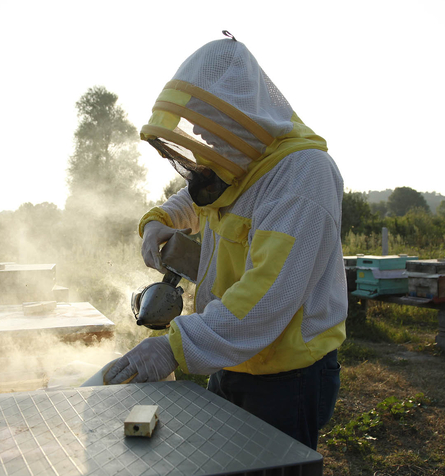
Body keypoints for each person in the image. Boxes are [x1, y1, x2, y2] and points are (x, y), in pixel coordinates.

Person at [104, 33, 347, 450]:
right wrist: (161, 220)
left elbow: (266, 298)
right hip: (231, 356)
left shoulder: (302, 176)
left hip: (287, 376)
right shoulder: (243, 166)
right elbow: (203, 196)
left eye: (209, 127)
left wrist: (174, 347)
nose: (202, 137)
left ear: (239, 115)